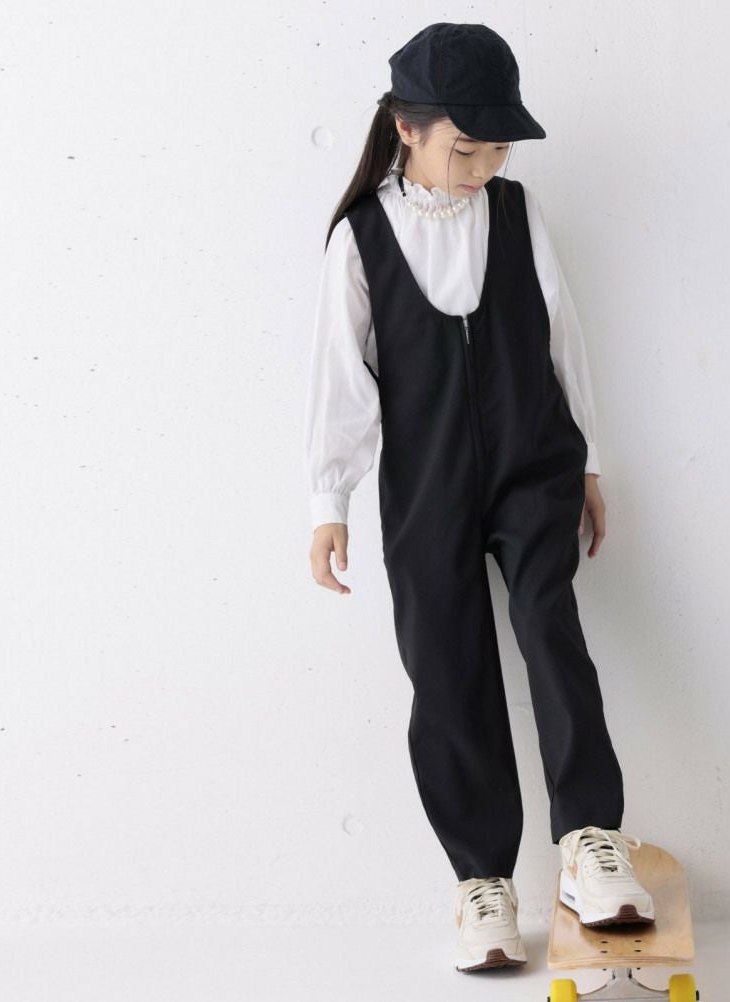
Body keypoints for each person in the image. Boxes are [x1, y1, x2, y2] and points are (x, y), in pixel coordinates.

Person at [304, 22, 655, 973]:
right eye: (468, 147)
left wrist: (591, 461)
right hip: (425, 487)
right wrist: (328, 502)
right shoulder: (362, 236)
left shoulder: (516, 210)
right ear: (407, 129)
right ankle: (482, 883)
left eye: (500, 146)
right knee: (447, 665)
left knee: (549, 625)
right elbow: (340, 380)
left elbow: (562, 333)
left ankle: (589, 840)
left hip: (535, 465)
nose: (486, 165)